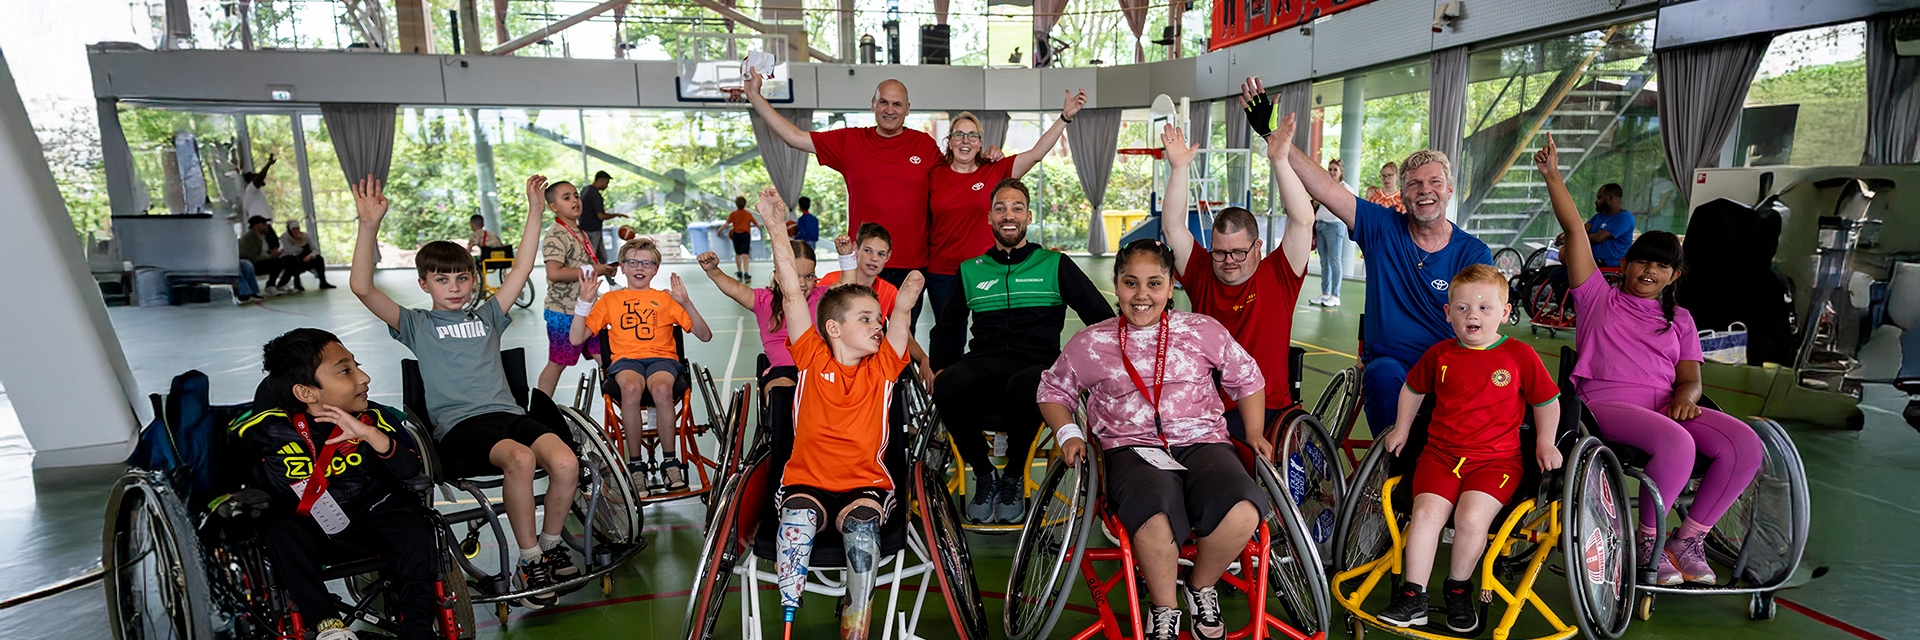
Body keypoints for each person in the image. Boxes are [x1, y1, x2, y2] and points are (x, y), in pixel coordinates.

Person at [348, 174, 580, 609]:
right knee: (521, 458)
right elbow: (362, 287)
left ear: (474, 279)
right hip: (460, 426)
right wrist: (368, 225)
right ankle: (528, 560)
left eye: (461, 278)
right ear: (424, 284)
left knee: (566, 461)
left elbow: (522, 268)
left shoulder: (488, 315)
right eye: (442, 280)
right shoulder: (416, 324)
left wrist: (535, 210)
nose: (454, 288)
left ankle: (549, 546)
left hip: (508, 415)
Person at [1536, 137, 1761, 586]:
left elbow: (1690, 377)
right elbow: (1576, 231)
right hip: (1604, 404)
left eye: (1661, 266)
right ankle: (1646, 543)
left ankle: (1687, 540)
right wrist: (1553, 176)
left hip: (1664, 406)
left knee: (1745, 445)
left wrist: (1687, 397)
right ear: (1625, 264)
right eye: (1641, 261)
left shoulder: (1681, 319)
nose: (1649, 271)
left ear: (1673, 276)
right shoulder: (1597, 297)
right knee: (1678, 442)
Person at [1037, 239, 1273, 640]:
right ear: (1116, 284)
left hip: (1202, 442)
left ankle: (1200, 586)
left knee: (1243, 508)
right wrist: (1069, 433)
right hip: (1131, 448)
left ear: (1170, 285)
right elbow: (1052, 391)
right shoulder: (1091, 343)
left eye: (1154, 283)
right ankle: (1164, 607)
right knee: (1153, 513)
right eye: (1131, 283)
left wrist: (1252, 433)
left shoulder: (1201, 330)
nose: (1142, 295)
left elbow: (1247, 377)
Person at [1249, 75, 1494, 437]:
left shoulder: (1473, 252)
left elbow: (1484, 325)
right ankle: (1396, 459)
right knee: (1382, 377)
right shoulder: (1381, 227)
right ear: (1402, 194)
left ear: (1449, 190)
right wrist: (1273, 137)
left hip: (1449, 364)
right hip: (1391, 363)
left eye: (1434, 182)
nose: (1424, 190)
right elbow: (1326, 188)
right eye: (1414, 184)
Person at [755, 186, 922, 640]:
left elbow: (900, 323)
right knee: (795, 526)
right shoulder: (811, 358)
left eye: (877, 318)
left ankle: (855, 628)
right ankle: (788, 622)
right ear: (832, 328)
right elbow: (792, 295)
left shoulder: (883, 367)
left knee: (863, 537)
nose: (877, 324)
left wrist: (904, 303)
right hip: (805, 484)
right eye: (865, 318)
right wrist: (775, 227)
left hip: (864, 487)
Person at [1374, 264, 1562, 633]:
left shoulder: (1520, 355)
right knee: (1425, 514)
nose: (1472, 315)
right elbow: (1413, 389)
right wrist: (1402, 428)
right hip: (1440, 457)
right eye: (1462, 308)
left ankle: (1458, 589)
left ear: (1505, 313)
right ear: (1448, 313)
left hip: (1496, 462)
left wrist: (1545, 442)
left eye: (1484, 307)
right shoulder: (1440, 354)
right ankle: (1414, 597)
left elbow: (1547, 401)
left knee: (1472, 518)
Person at [233, 328, 439, 640]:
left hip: (374, 520)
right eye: (345, 371)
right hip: (308, 529)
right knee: (278, 529)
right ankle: (329, 626)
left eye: (357, 366)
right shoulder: (263, 430)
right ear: (306, 392)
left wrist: (370, 435)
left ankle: (419, 629)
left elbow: (411, 470)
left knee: (415, 523)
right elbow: (231, 487)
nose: (364, 377)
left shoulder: (375, 418)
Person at [931, 178, 1115, 524]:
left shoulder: (1054, 264)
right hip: (984, 364)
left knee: (1029, 384)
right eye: (1000, 208)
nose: (1008, 215)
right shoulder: (971, 270)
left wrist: (1093, 369)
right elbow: (948, 326)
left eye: (1017, 208)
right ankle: (984, 473)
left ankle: (1013, 475)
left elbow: (1100, 318)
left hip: (1036, 365)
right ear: (990, 218)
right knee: (947, 383)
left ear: (1028, 216)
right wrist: (939, 366)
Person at [745, 72, 941, 329]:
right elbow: (794, 137)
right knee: (859, 336)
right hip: (861, 265)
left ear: (907, 109)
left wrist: (988, 158)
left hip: (912, 264)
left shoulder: (924, 145)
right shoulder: (851, 141)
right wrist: (754, 95)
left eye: (897, 104)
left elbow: (960, 172)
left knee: (903, 337)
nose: (889, 110)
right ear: (873, 104)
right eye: (883, 102)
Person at [1160, 115, 1313, 441]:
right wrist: (1179, 169)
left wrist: (1280, 161)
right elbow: (1173, 226)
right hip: (1208, 406)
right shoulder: (1202, 271)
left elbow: (1302, 220)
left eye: (1239, 253)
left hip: (1267, 407)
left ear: (1257, 247)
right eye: (1220, 252)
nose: (1228, 261)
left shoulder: (1280, 274)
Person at [570, 239, 714, 491]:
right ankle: (636, 467)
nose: (639, 267)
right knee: (631, 388)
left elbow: (705, 335)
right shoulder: (610, 300)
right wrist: (584, 301)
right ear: (622, 267)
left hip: (662, 360)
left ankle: (670, 463)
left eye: (647, 263)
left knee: (662, 389)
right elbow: (575, 338)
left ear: (655, 269)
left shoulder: (666, 298)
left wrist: (686, 303)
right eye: (633, 262)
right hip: (626, 362)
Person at [927, 89, 1085, 315]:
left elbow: (1036, 154)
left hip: (988, 269)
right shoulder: (933, 173)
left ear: (980, 143)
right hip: (942, 272)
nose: (965, 140)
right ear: (949, 142)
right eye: (958, 134)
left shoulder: (995, 170)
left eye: (972, 135)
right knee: (949, 334)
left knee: (992, 330)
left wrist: (1065, 117)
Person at [536, 181, 618, 397]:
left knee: (607, 359)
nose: (574, 200)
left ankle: (620, 408)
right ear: (553, 207)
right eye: (566, 197)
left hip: (589, 310)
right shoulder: (556, 235)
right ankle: (538, 409)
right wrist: (594, 269)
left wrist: (602, 270)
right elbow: (554, 272)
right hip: (564, 312)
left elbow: (583, 266)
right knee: (557, 363)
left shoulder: (579, 231)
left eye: (576, 195)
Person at [822, 224, 933, 383]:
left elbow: (905, 336)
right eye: (868, 251)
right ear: (855, 248)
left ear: (888, 257)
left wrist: (923, 358)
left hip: (869, 366)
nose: (874, 258)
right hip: (832, 359)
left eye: (881, 254)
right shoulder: (831, 280)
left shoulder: (889, 291)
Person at [1545, 183, 1636, 306]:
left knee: (1570, 276)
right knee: (1556, 274)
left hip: (1608, 263)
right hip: (1591, 261)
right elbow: (1581, 230)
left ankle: (1577, 308)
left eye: (1599, 198)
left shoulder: (1624, 218)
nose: (1596, 202)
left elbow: (1598, 238)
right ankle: (1566, 307)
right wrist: (1565, 236)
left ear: (1610, 198)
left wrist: (1570, 241)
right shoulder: (1599, 217)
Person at [1308, 158, 1357, 307]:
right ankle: (1325, 294)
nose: (1332, 172)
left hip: (1335, 226)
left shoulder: (1345, 188)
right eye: (1330, 169)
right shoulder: (1323, 185)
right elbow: (1315, 202)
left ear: (1341, 172)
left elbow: (1351, 205)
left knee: (1334, 261)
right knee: (1324, 262)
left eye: (1335, 170)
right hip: (1321, 225)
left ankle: (1335, 295)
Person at [578, 171, 626, 262]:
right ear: (601, 180)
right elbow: (600, 216)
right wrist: (616, 215)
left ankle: (605, 270)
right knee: (592, 257)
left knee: (602, 256)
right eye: (606, 183)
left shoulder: (586, 190)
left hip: (586, 228)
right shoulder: (595, 194)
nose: (607, 186)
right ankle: (592, 271)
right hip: (592, 229)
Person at [239, 215, 291, 297]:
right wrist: (270, 256)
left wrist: (274, 252)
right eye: (263, 223)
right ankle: (270, 285)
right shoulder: (249, 238)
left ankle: (282, 284)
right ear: (255, 225)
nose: (266, 225)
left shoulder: (265, 236)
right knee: (277, 262)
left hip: (267, 259)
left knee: (291, 260)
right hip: (255, 264)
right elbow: (253, 258)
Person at [274, 223, 334, 291]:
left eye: (297, 229)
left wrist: (310, 256)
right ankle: (297, 283)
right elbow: (289, 252)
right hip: (290, 258)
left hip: (305, 257)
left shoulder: (305, 236)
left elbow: (315, 249)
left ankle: (323, 282)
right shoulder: (285, 237)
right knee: (294, 260)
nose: (296, 231)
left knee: (319, 259)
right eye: (294, 229)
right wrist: (297, 242)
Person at [724, 196, 757, 281]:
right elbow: (756, 223)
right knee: (745, 255)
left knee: (738, 254)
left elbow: (727, 224)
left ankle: (739, 271)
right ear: (745, 204)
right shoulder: (748, 214)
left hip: (736, 235)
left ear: (736, 204)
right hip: (745, 235)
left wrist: (719, 230)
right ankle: (746, 273)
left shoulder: (733, 214)